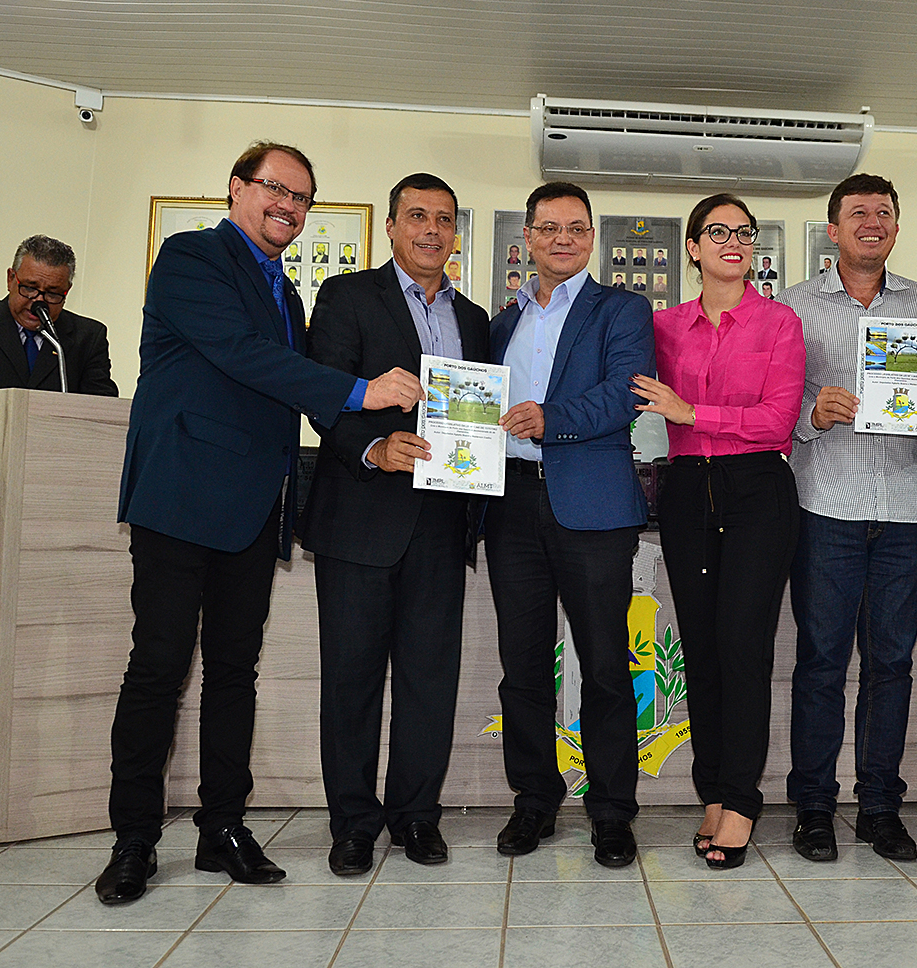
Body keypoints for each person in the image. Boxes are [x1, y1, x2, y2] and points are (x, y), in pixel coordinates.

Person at [97, 141, 419, 906]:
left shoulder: (289, 295)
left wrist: (374, 440)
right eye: (276, 188)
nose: (289, 206)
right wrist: (361, 390)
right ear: (237, 188)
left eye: (302, 197)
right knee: (158, 666)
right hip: (180, 498)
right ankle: (133, 838)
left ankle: (222, 825)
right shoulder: (191, 258)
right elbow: (241, 355)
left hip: (252, 508)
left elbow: (296, 393)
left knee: (234, 670)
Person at [298, 174, 491, 876]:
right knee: (351, 682)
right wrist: (373, 447)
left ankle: (416, 816)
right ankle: (353, 824)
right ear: (390, 226)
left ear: (454, 232)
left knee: (428, 682)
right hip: (359, 519)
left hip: (441, 523)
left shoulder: (476, 319)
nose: (431, 230)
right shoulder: (347, 296)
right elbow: (322, 393)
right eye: (416, 216)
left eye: (443, 218)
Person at [776, 173, 917, 864]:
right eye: (858, 212)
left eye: (883, 212)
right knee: (821, 663)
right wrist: (812, 412)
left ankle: (881, 806)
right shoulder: (792, 306)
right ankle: (814, 808)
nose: (872, 222)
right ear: (833, 230)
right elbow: (775, 403)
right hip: (825, 505)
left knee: (892, 665)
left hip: (908, 509)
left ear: (895, 227)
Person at [630, 194, 804, 870]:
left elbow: (776, 422)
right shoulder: (662, 325)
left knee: (741, 646)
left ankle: (741, 800)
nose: (734, 241)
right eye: (719, 231)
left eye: (744, 232)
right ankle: (713, 792)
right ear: (693, 248)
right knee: (699, 651)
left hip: (758, 489)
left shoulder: (778, 321)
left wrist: (690, 411)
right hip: (685, 492)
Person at [485, 182, 655, 868]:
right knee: (522, 666)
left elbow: (625, 393)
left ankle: (611, 811)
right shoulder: (502, 323)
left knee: (606, 666)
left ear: (592, 238)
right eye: (549, 227)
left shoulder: (623, 309)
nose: (563, 238)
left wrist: (550, 419)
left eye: (576, 228)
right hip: (511, 506)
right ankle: (534, 799)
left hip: (593, 509)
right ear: (527, 236)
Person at [0, 235, 118, 422]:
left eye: (53, 293)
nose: (39, 302)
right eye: (29, 288)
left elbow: (102, 415)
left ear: (66, 291)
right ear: (10, 279)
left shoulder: (88, 338)